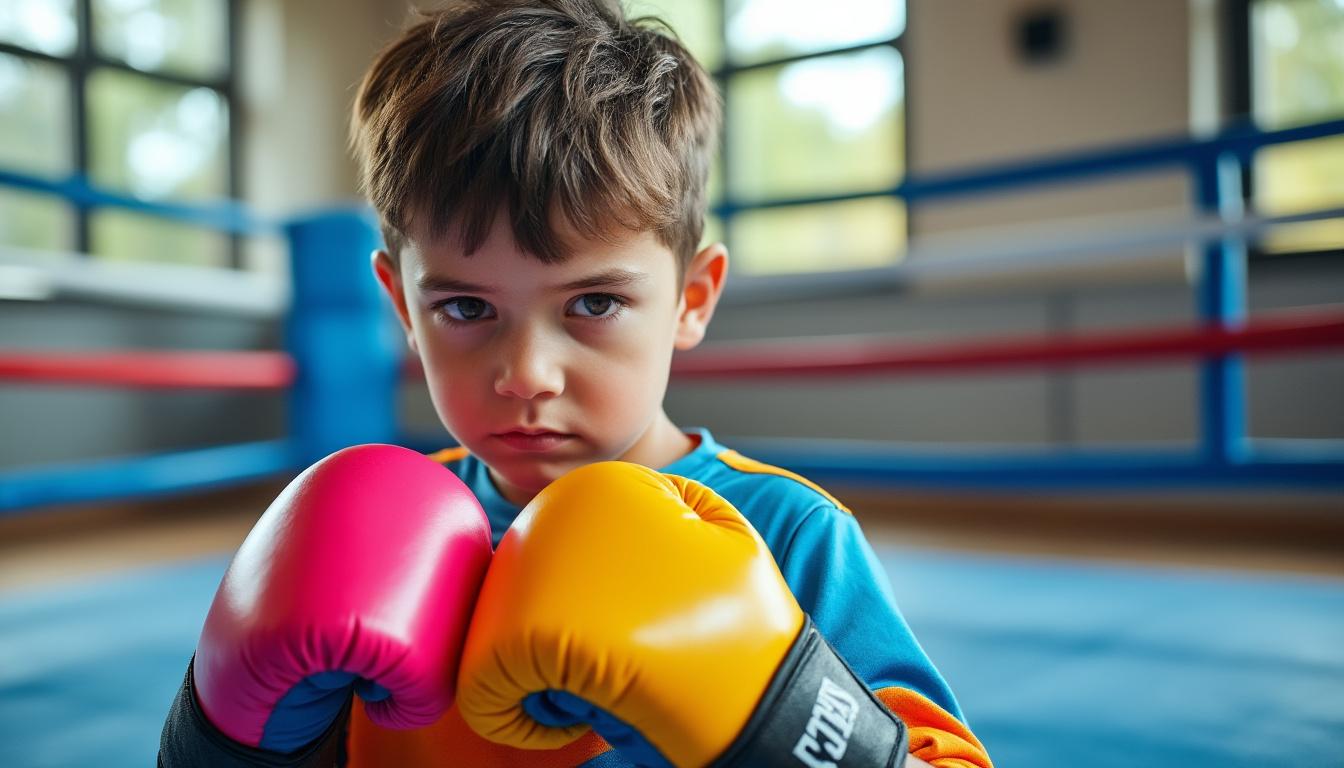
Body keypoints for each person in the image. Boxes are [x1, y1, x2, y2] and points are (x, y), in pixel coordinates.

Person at [160, 1, 993, 766]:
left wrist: (770, 708)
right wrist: (221, 725)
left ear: (690, 299)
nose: (526, 374)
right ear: (400, 307)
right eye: (465, 306)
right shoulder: (369, 538)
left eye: (594, 302)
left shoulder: (787, 534)